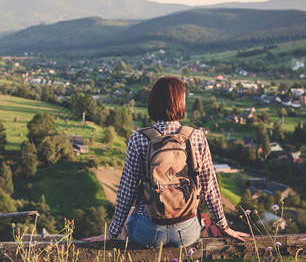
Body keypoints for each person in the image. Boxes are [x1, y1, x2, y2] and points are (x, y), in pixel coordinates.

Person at [83, 76, 249, 247]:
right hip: (187, 232)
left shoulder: (139, 139)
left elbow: (127, 190)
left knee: (128, 218)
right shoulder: (197, 137)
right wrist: (223, 226)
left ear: (153, 102)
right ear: (181, 103)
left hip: (149, 232)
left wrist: (112, 232)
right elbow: (209, 188)